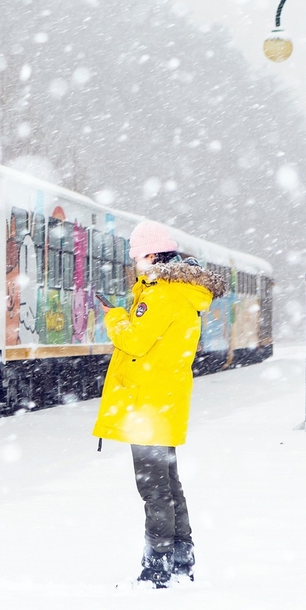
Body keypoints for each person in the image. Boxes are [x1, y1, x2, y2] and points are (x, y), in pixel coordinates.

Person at [92, 219, 227, 587]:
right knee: (169, 484)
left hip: (148, 404)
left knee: (154, 489)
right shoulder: (180, 292)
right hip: (164, 399)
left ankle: (157, 569)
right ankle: (181, 560)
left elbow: (134, 341)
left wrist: (113, 316)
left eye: (137, 256)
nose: (135, 263)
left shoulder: (161, 293)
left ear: (152, 255)